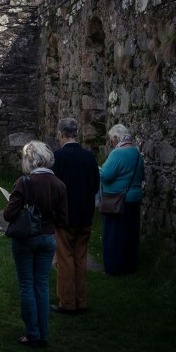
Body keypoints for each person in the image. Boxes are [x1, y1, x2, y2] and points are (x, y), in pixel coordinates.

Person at [3, 141, 68, 348]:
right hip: (47, 238)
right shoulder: (59, 184)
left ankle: (32, 333)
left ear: (29, 160)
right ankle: (43, 333)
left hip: (25, 239)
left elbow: (9, 214)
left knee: (26, 285)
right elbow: (64, 218)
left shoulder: (25, 182)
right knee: (42, 286)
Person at [50, 118, 99, 314]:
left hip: (64, 216)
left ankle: (68, 303)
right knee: (80, 258)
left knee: (65, 259)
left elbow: (53, 187)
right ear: (75, 133)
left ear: (61, 134)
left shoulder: (58, 157)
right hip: (85, 214)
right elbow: (96, 185)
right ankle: (81, 300)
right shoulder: (88, 157)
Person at [100, 124, 145, 275]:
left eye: (111, 140)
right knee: (130, 234)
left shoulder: (117, 153)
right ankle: (129, 264)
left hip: (118, 200)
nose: (111, 143)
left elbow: (106, 175)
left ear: (116, 138)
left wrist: (99, 169)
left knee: (114, 235)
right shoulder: (136, 152)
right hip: (134, 197)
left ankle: (115, 266)